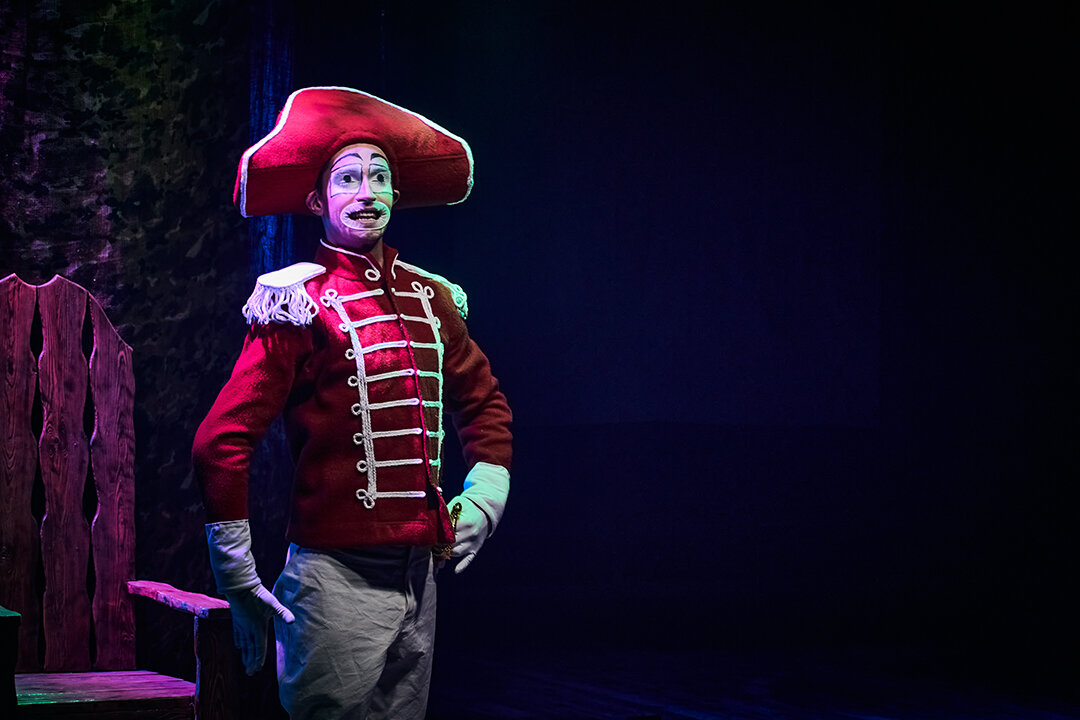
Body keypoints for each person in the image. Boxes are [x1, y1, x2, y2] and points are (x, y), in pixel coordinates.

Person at [192, 86, 512, 719]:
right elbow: (219, 441)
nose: (367, 192)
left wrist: (485, 495)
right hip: (334, 576)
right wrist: (237, 575)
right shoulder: (296, 302)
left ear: (395, 193)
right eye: (347, 179)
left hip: (420, 569)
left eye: (380, 177)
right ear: (318, 201)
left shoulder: (430, 297)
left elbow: (485, 403)